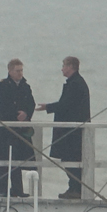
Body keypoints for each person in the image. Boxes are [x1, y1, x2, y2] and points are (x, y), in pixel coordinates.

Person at [41, 55, 91, 199]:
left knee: (71, 159)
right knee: (70, 159)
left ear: (70, 67)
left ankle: (76, 188)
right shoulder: (76, 83)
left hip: (72, 131)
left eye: (64, 65)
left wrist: (48, 107)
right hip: (72, 130)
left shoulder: (75, 84)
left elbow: (66, 105)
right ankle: (74, 187)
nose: (62, 68)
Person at [0, 58, 36, 199]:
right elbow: (2, 105)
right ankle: (2, 190)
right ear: (10, 71)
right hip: (5, 130)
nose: (20, 73)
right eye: (17, 70)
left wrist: (26, 114)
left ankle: (17, 190)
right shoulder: (1, 86)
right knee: (3, 162)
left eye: (21, 70)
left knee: (17, 161)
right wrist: (16, 115)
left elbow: (31, 103)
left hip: (20, 129)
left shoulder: (26, 87)